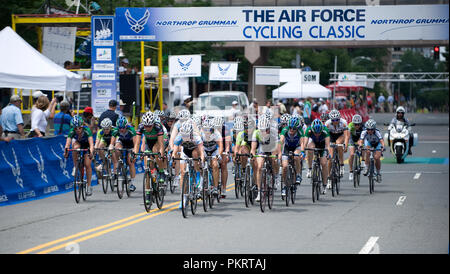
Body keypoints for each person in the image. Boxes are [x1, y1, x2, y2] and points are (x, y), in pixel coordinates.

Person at [172, 120, 205, 208]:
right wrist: (173, 158)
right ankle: (183, 197)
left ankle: (198, 174)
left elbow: (201, 152)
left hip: (195, 150)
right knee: (182, 173)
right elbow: (175, 151)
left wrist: (201, 159)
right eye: (184, 135)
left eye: (187, 135)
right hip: (185, 151)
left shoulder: (196, 137)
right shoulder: (179, 136)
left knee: (194, 154)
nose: (185, 137)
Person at [251, 116, 281, 202]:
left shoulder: (273, 133)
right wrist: (252, 154)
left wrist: (277, 157)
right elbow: (253, 148)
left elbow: (278, 149)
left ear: (268, 128)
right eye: (261, 130)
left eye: (265, 130)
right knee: (259, 167)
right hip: (262, 148)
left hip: (272, 147)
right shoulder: (256, 133)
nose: (263, 132)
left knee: (274, 160)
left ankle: (274, 177)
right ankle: (259, 192)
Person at [138, 112, 166, 204]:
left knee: (155, 151)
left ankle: (161, 172)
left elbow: (161, 145)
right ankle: (148, 193)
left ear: (153, 124)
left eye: (149, 126)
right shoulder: (141, 127)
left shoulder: (158, 127)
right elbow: (138, 143)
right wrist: (136, 153)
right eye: (146, 126)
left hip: (156, 142)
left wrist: (161, 155)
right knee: (147, 169)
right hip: (147, 143)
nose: (147, 128)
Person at [64, 115, 95, 196]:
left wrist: (91, 152)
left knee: (87, 164)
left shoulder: (87, 130)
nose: (77, 130)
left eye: (79, 128)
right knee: (75, 147)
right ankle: (75, 166)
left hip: (87, 146)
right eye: (75, 128)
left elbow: (91, 144)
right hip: (79, 144)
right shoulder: (72, 131)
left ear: (82, 126)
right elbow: (67, 143)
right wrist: (66, 151)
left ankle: (88, 186)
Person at [110, 116, 140, 191]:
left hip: (131, 144)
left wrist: (134, 152)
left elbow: (136, 143)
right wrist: (111, 147)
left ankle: (132, 183)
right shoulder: (116, 130)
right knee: (116, 148)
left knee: (130, 162)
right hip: (122, 142)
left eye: (123, 128)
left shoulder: (131, 130)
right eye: (120, 128)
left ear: (126, 126)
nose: (121, 129)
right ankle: (119, 163)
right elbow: (112, 142)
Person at [302, 119, 331, 194]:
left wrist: (328, 153)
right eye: (315, 133)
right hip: (314, 143)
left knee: (324, 164)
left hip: (322, 145)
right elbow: (305, 143)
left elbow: (328, 145)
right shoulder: (309, 130)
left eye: (319, 133)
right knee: (310, 148)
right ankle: (310, 168)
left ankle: (324, 184)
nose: (317, 134)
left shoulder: (325, 130)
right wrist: (303, 152)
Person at [279, 116, 304, 197]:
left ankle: (298, 175)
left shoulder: (300, 131)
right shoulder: (285, 130)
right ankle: (284, 186)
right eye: (290, 128)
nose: (292, 130)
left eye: (294, 128)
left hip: (296, 147)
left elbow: (302, 143)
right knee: (285, 167)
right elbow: (281, 142)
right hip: (287, 147)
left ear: (297, 128)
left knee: (296, 157)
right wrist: (279, 153)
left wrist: (302, 152)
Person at [324, 109, 349, 187]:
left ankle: (341, 165)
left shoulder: (343, 122)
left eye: (337, 120)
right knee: (330, 158)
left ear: (339, 118)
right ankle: (328, 178)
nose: (335, 121)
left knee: (338, 144)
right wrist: (326, 147)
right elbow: (325, 137)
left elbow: (346, 136)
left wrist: (346, 145)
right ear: (331, 120)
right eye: (333, 120)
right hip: (331, 136)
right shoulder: (327, 124)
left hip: (340, 135)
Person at [201, 118, 223, 197]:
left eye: (209, 130)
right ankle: (200, 183)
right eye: (205, 129)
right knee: (201, 162)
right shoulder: (200, 133)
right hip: (204, 150)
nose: (207, 131)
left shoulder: (216, 133)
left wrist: (218, 155)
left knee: (215, 165)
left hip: (214, 150)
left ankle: (216, 188)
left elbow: (220, 146)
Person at [347, 114, 365, 181]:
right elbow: (348, 135)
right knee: (351, 154)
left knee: (363, 147)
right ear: (353, 123)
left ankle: (363, 161)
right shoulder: (350, 125)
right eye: (355, 124)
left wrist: (361, 143)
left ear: (360, 123)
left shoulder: (363, 126)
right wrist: (346, 143)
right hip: (352, 139)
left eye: (358, 124)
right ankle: (351, 171)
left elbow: (364, 137)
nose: (357, 126)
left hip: (360, 138)